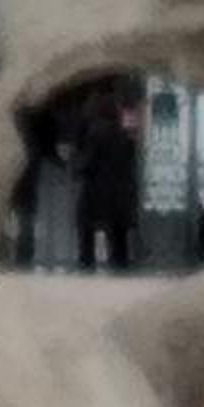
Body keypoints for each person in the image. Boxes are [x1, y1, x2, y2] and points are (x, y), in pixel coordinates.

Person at [72, 80, 143, 275]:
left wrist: (76, 166)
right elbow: (131, 160)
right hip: (119, 191)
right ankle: (121, 268)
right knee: (118, 233)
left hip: (96, 190)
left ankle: (87, 266)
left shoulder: (95, 132)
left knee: (86, 227)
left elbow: (88, 162)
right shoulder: (124, 133)